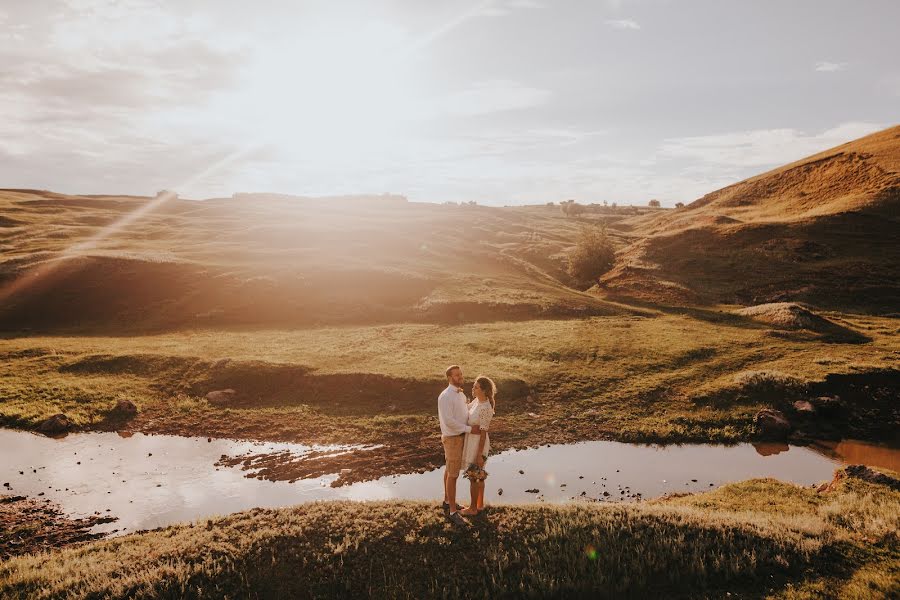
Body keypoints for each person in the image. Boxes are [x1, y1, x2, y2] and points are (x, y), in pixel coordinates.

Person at [437, 365, 479, 527]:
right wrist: (470, 429)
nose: (460, 376)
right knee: (453, 473)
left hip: (460, 437)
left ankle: (448, 501)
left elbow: (464, 412)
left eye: (461, 374)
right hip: (453, 438)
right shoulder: (446, 396)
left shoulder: (459, 394)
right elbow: (449, 421)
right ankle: (453, 511)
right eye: (456, 375)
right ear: (449, 377)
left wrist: (478, 402)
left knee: (449, 468)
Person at [459, 375, 496, 517]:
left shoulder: (486, 407)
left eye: (476, 387)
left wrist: (480, 454)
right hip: (471, 441)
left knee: (474, 476)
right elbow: (465, 408)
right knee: (479, 474)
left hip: (478, 443)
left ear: (484, 390)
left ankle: (473, 508)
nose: (473, 388)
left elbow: (483, 433)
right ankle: (479, 505)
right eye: (474, 386)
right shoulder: (477, 401)